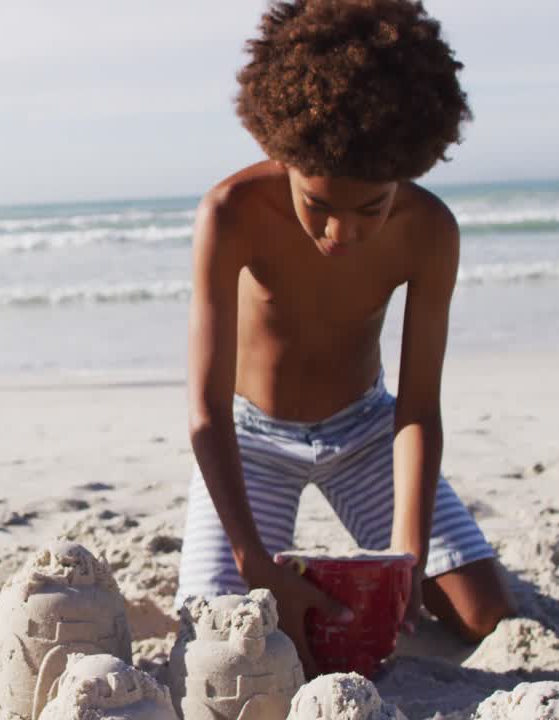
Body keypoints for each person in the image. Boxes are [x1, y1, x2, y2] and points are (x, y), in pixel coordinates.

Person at [176, 0, 515, 674]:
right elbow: (206, 412)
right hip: (252, 437)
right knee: (218, 644)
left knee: (486, 614)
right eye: (317, 206)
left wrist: (406, 552)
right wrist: (250, 557)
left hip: (365, 430)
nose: (340, 234)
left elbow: (418, 409)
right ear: (282, 153)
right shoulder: (231, 212)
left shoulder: (429, 232)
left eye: (370, 209)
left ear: (406, 173)